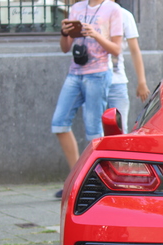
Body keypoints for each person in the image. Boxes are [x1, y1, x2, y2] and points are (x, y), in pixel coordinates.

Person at [51, 0, 123, 198]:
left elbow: (117, 49)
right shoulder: (76, 8)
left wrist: (96, 34)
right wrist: (65, 33)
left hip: (98, 74)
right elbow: (65, 48)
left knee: (94, 130)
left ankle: (93, 183)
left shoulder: (113, 9)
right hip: (75, 73)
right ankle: (77, 178)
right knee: (59, 123)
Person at [107, 0, 150, 133]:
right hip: (93, 79)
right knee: (95, 128)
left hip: (117, 80)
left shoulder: (124, 15)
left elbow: (135, 50)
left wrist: (142, 82)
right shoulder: (92, 14)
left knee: (120, 128)